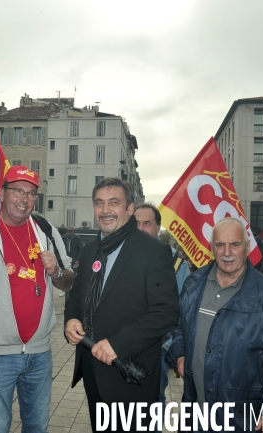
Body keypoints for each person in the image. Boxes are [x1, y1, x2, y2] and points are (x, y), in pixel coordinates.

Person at [0, 166, 73, 433]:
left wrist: (57, 272)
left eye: (31, 193)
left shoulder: (46, 230)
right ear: (2, 194)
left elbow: (68, 281)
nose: (25, 199)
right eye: (18, 190)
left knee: (37, 427)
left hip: (40, 354)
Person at [168, 217, 263, 432]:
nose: (227, 252)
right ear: (211, 247)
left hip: (242, 420)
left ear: (247, 247)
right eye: (220, 244)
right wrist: (180, 353)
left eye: (235, 244)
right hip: (195, 414)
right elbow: (179, 327)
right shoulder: (193, 285)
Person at [64, 178, 179, 432]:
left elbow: (166, 313)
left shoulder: (153, 251)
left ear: (129, 208)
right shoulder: (91, 248)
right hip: (92, 369)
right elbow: (78, 293)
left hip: (130, 372)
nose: (105, 210)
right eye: (99, 203)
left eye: (113, 203)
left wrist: (118, 344)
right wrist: (71, 318)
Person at [134, 203, 188, 406]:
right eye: (136, 223)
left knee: (154, 400)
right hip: (124, 346)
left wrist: (176, 348)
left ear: (158, 228)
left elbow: (182, 310)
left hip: (159, 347)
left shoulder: (174, 263)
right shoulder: (120, 257)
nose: (141, 229)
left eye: (147, 224)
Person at [60, 226, 82, 296]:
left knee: (74, 274)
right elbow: (60, 249)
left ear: (73, 232)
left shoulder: (77, 238)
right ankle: (64, 290)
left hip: (74, 259)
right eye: (67, 231)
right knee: (64, 274)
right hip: (65, 259)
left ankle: (73, 289)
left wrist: (78, 259)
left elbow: (81, 249)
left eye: (70, 231)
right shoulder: (63, 238)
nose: (68, 232)